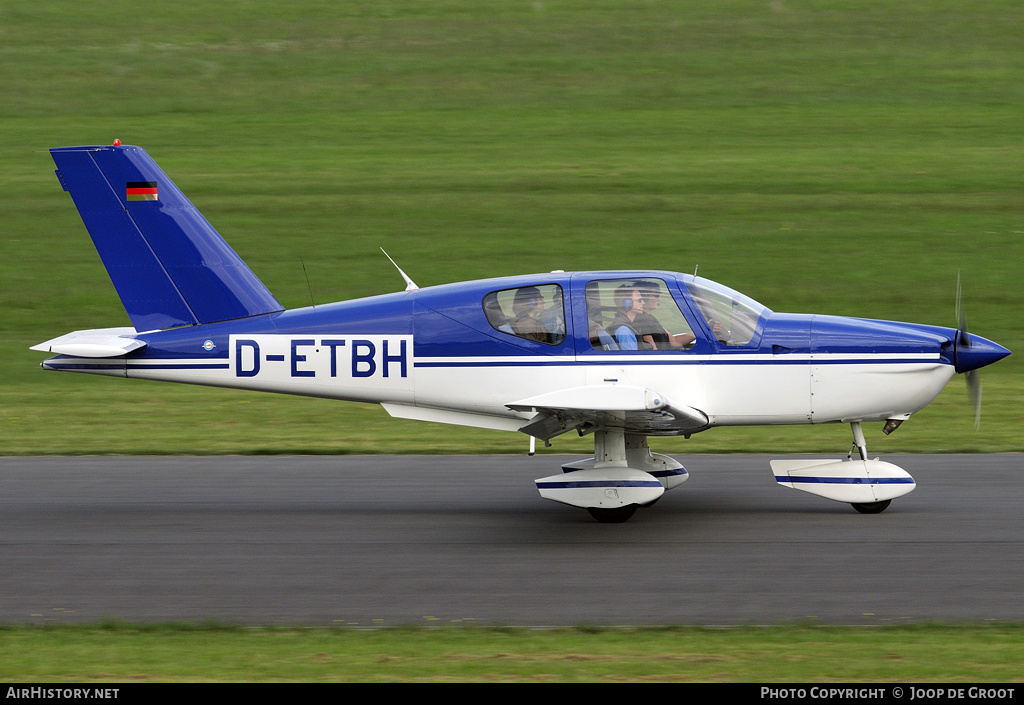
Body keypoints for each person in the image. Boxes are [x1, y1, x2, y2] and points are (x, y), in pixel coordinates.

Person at [607, 284, 648, 350]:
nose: (643, 303)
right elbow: (632, 359)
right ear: (627, 303)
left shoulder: (626, 326)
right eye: (639, 300)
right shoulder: (624, 331)